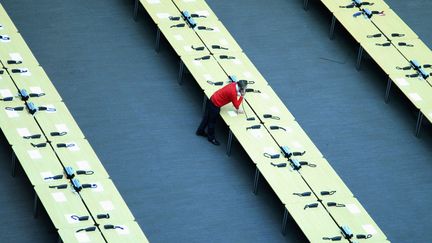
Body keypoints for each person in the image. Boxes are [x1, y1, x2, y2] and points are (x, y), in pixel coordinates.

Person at [196, 80, 248, 145]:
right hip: (216, 105)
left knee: (206, 117)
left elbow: (232, 93)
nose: (246, 89)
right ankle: (211, 138)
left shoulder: (234, 84)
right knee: (212, 122)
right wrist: (242, 96)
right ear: (241, 88)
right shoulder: (233, 93)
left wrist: (239, 93)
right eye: (245, 88)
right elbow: (236, 105)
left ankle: (200, 131)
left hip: (213, 98)